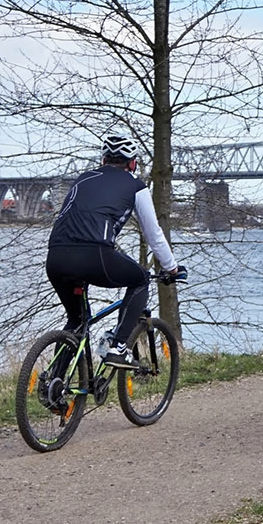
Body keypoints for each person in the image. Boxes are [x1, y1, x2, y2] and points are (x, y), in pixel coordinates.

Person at [46, 134, 183, 371]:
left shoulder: (82, 179)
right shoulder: (135, 186)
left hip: (56, 256)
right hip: (94, 255)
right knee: (140, 279)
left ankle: (53, 383)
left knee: (77, 320)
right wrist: (171, 267)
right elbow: (153, 233)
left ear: (103, 160)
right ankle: (118, 347)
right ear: (132, 164)